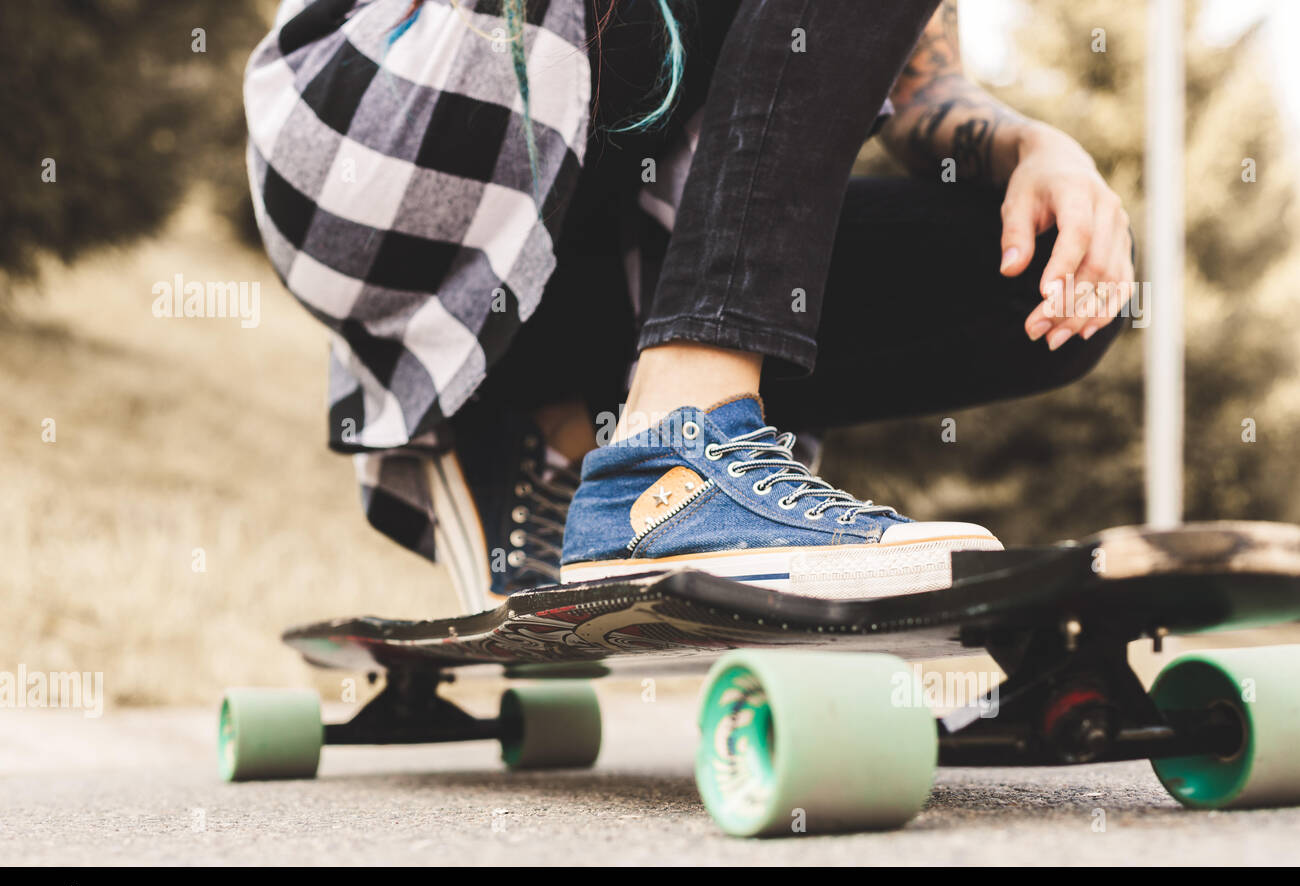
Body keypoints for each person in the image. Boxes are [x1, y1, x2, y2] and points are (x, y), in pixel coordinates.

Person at [245, 0, 1133, 611]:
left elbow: (917, 84)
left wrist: (1030, 146)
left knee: (1041, 276)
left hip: (608, 236)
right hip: (386, 121)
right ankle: (668, 444)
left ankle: (564, 429)